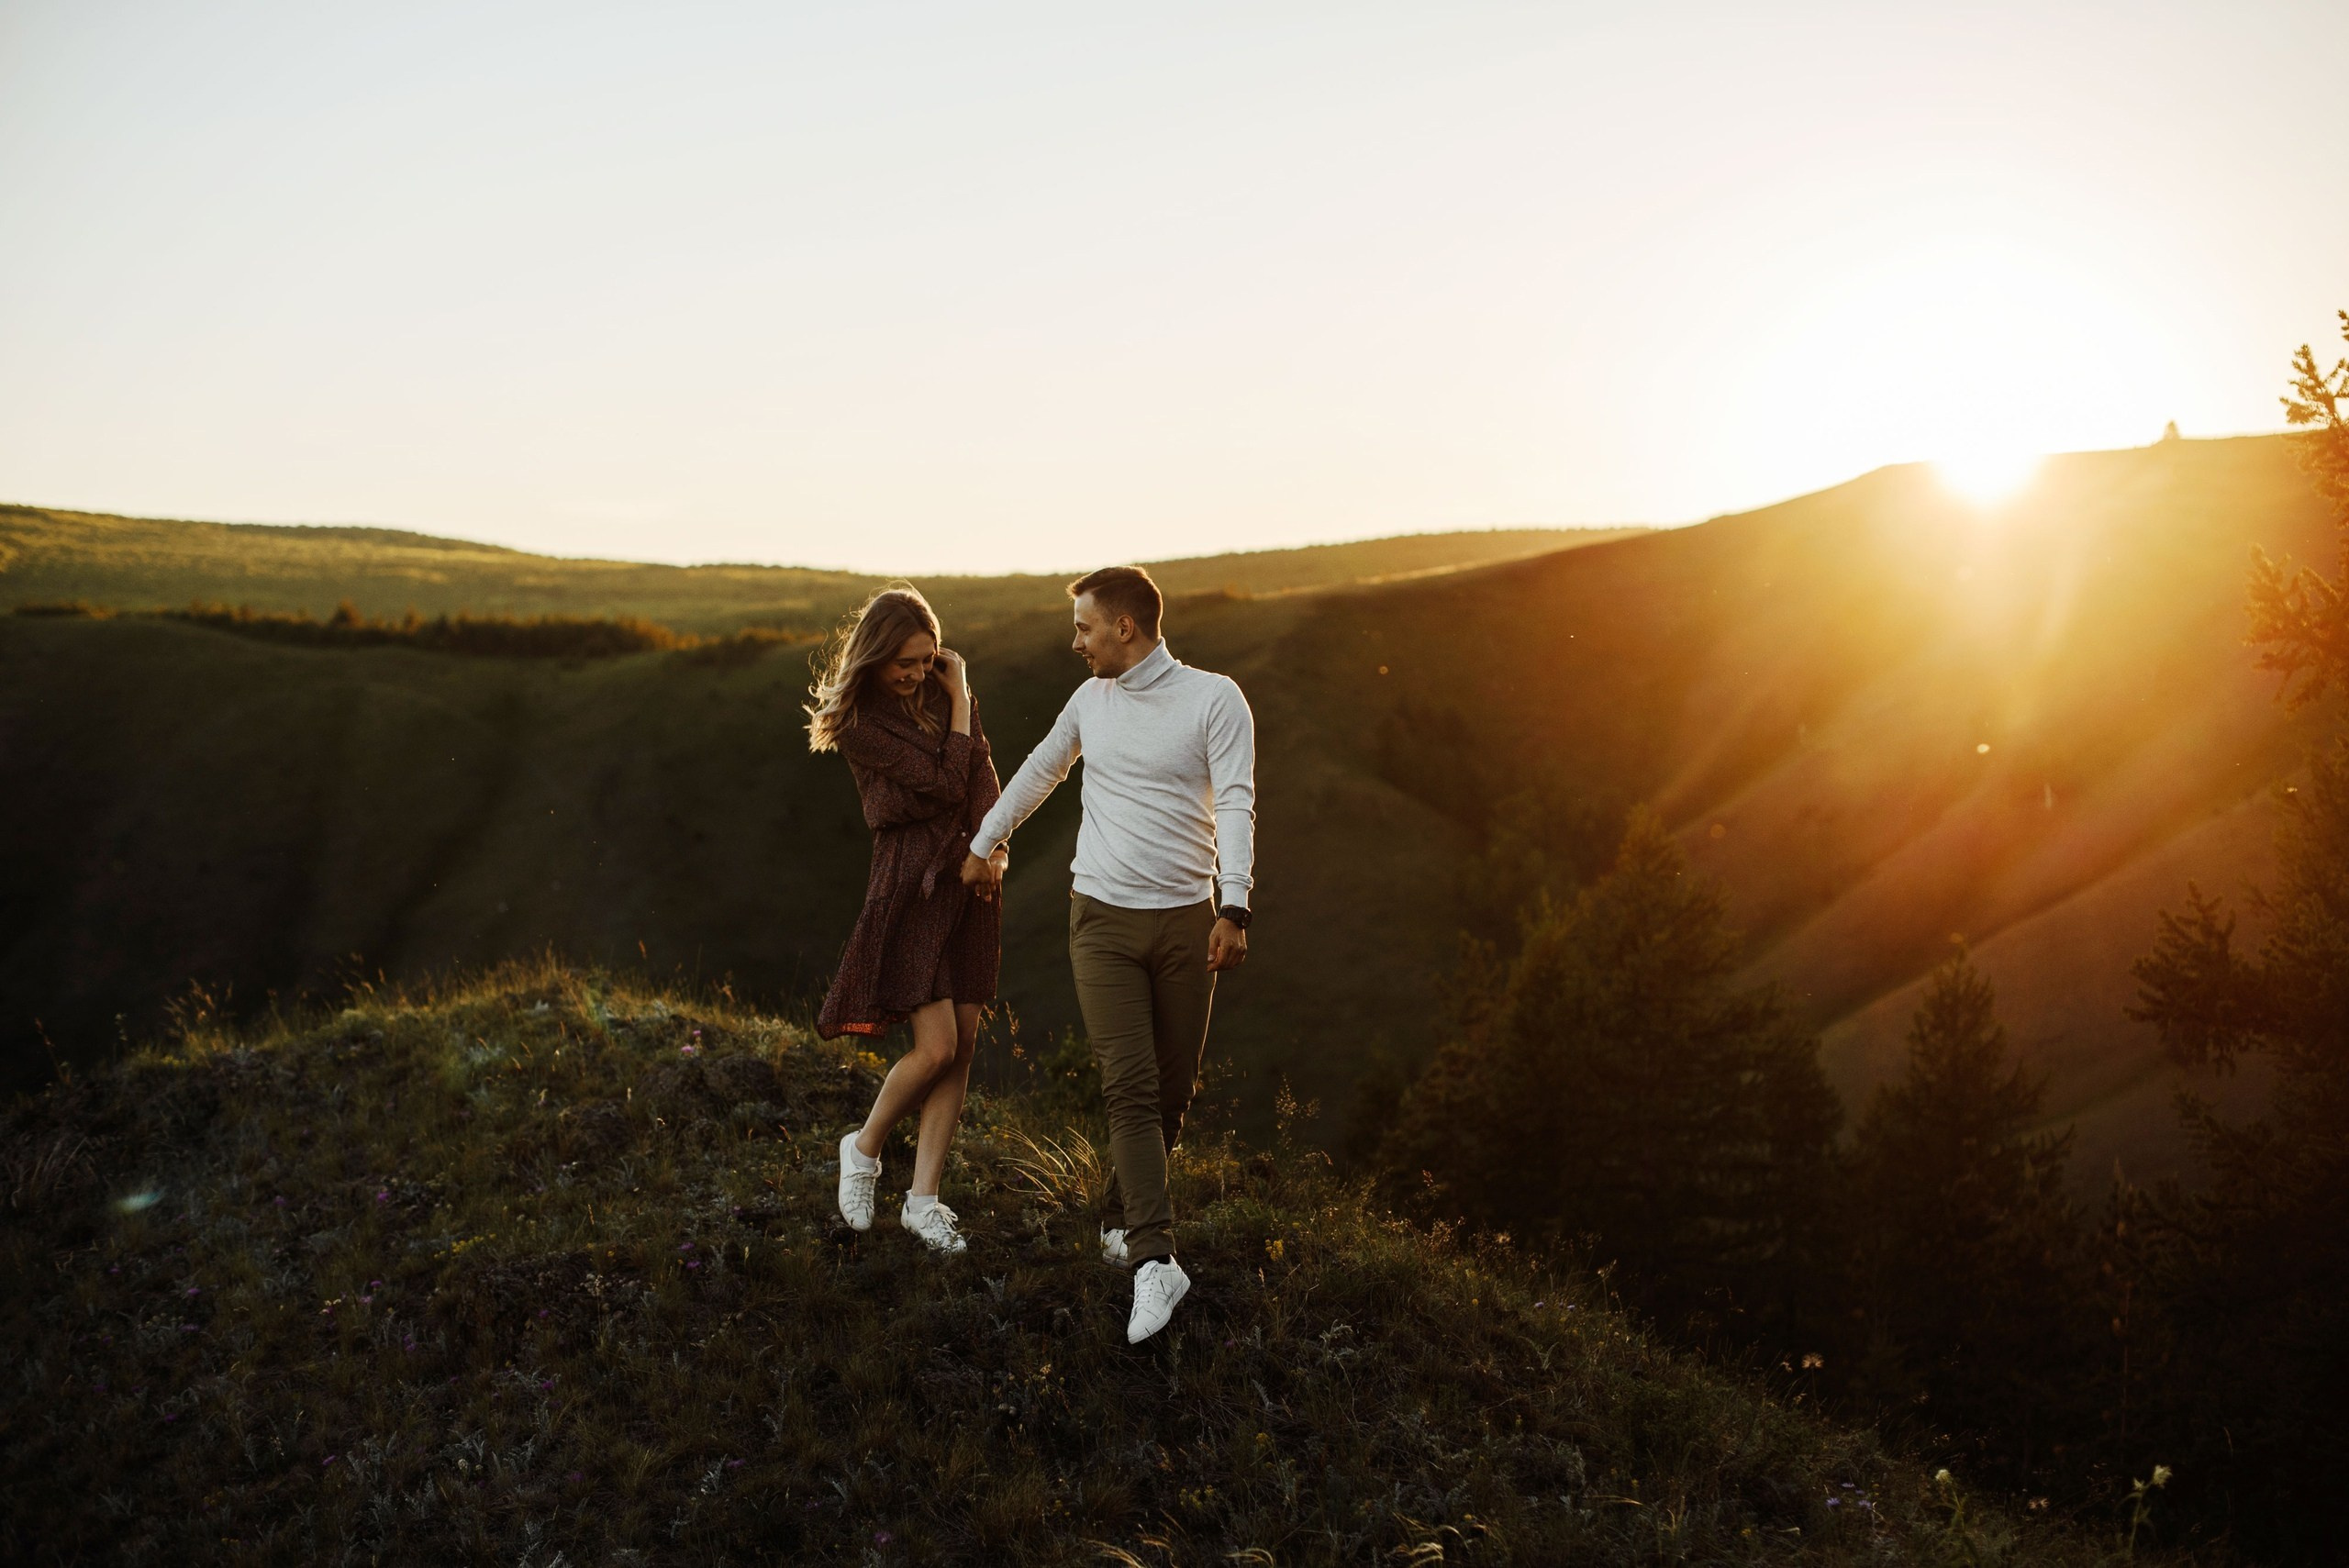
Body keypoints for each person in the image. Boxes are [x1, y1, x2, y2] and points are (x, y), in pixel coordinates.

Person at [962, 565, 1255, 1342]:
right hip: (1100, 917)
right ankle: (1156, 1263)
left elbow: (1236, 799)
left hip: (1189, 921)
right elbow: (1040, 770)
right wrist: (986, 839)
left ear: (1126, 626)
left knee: (1170, 1091)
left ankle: (1121, 1220)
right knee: (1128, 1087)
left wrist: (1235, 904)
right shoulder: (1091, 701)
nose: (1076, 642)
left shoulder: (1214, 699)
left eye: (1085, 627)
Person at [807, 584, 1008, 1254]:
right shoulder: (859, 722)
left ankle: (923, 1200)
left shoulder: (942, 697)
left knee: (966, 1043)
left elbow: (978, 773)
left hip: (969, 877)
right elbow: (951, 780)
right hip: (913, 885)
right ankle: (862, 1148)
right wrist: (959, 701)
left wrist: (991, 847)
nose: (918, 674)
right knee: (936, 1047)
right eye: (906, 663)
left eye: (928, 661)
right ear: (875, 653)